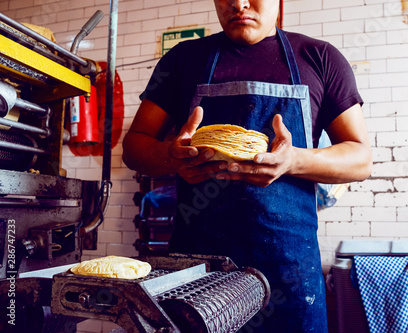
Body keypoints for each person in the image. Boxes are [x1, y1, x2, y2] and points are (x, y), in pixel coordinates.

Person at [122, 0, 372, 331]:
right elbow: (134, 146)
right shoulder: (182, 59)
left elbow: (360, 158)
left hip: (289, 274)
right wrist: (171, 156)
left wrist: (293, 160)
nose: (239, 4)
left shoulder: (320, 58)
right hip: (198, 273)